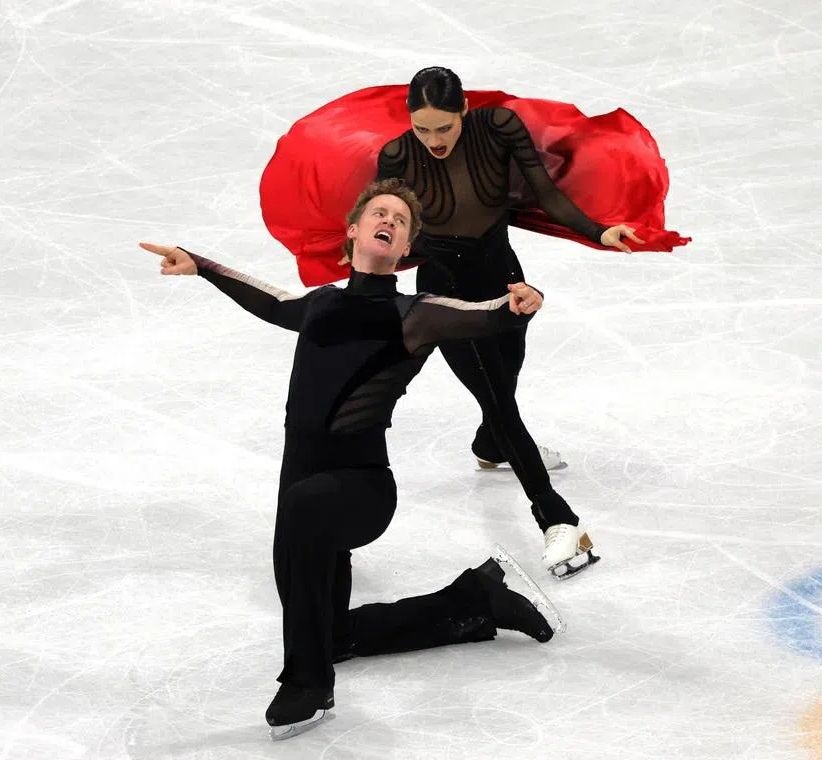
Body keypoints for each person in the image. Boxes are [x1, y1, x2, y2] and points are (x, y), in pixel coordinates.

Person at [138, 177, 563, 741]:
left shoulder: (416, 313)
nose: (390, 220)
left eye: (402, 220)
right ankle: (478, 598)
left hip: (359, 491)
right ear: (354, 231)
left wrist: (520, 307)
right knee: (332, 631)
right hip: (306, 496)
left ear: (406, 246)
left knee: (303, 510)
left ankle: (308, 685)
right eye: (379, 212)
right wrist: (200, 265)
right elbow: (269, 298)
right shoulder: (319, 304)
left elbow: (486, 314)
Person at [259, 68, 687, 578]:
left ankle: (491, 447)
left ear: (464, 111)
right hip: (445, 293)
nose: (434, 140)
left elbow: (547, 196)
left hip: (505, 278)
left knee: (505, 376)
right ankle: (557, 519)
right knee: (499, 400)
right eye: (423, 129)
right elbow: (392, 224)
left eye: (444, 127)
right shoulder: (398, 156)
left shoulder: (499, 128)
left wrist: (600, 232)